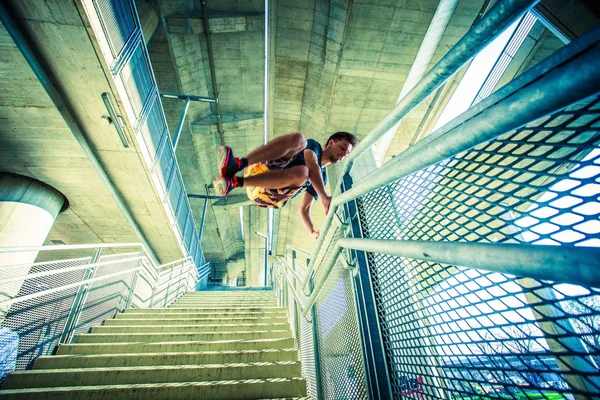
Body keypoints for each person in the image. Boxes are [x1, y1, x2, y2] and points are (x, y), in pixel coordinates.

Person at [213, 131, 358, 239]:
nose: (344, 153)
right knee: (299, 140)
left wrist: (312, 232)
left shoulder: (322, 178)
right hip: (259, 171)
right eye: (343, 147)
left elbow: (304, 208)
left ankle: (235, 183)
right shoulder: (314, 147)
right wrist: (324, 198)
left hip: (267, 196)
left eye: (347, 153)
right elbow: (313, 165)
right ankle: (237, 165)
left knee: (303, 173)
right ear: (331, 142)